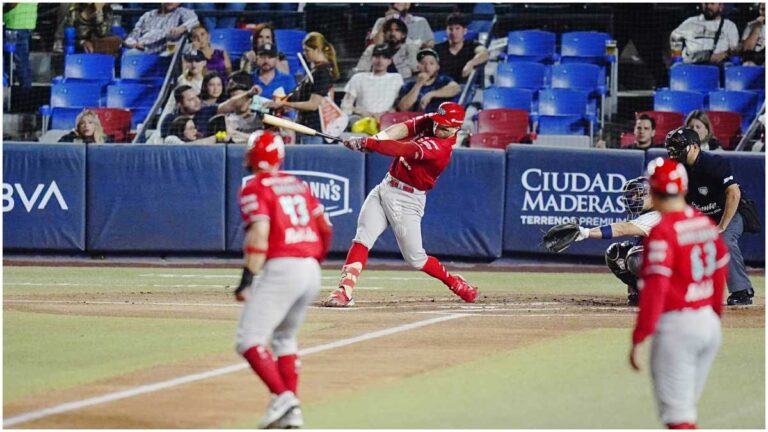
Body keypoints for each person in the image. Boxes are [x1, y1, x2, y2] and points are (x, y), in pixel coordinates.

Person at [323, 102, 479, 307]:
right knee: (362, 238)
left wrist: (368, 144)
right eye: (438, 124)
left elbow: (403, 148)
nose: (437, 128)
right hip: (386, 186)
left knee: (416, 259)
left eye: (444, 128)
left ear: (456, 129)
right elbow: (402, 129)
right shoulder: (434, 121)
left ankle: (454, 282)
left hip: (408, 200)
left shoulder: (441, 149)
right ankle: (344, 290)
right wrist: (374, 139)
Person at [234, 130, 332, 429]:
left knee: (248, 340)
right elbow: (325, 225)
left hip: (283, 267)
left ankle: (284, 396)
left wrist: (247, 280)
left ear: (252, 156)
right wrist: (316, 258)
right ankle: (292, 413)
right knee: (284, 338)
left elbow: (260, 233)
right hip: (310, 268)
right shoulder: (298, 184)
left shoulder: (254, 187)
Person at [629, 157, 728, 430]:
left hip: (678, 328)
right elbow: (719, 275)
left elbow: (656, 288)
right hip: (708, 325)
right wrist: (714, 317)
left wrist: (640, 336)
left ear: (654, 190)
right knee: (686, 412)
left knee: (678, 419)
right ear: (683, 189)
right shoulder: (706, 224)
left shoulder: (661, 232)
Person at [665, 127, 755, 305]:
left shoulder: (713, 163)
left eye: (679, 146)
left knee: (724, 240)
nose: (674, 151)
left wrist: (721, 226)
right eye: (672, 147)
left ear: (695, 147)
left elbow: (734, 194)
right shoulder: (677, 169)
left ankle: (742, 291)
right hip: (704, 215)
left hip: (730, 211)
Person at [544, 177, 660, 306]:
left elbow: (621, 229)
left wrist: (585, 232)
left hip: (675, 270)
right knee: (616, 253)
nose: (633, 199)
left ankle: (663, 296)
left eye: (639, 194)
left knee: (637, 257)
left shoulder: (659, 214)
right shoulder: (645, 215)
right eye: (632, 195)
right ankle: (640, 293)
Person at [264, 32, 339, 144]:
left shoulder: (322, 72)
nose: (305, 54)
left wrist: (284, 104)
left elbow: (313, 105)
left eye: (307, 50)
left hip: (313, 131)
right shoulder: (315, 70)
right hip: (305, 128)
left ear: (317, 50)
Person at [341, 43, 404, 123]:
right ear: (371, 58)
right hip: (361, 121)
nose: (380, 61)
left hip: (388, 122)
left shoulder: (396, 78)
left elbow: (399, 105)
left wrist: (385, 114)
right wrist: (362, 113)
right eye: (377, 56)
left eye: (385, 57)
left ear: (390, 61)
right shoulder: (358, 78)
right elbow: (346, 105)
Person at [670, 3, 739, 65]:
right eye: (705, 3)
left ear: (721, 6)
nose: (708, 6)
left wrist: (724, 55)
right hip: (691, 68)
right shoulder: (690, 22)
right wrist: (677, 59)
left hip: (719, 69)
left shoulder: (729, 26)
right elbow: (675, 37)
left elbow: (734, 50)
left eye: (712, 3)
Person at [397, 48, 460, 113]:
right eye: (423, 63)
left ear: (437, 67)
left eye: (431, 63)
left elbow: (456, 88)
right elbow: (402, 108)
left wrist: (431, 94)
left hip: (442, 117)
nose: (427, 67)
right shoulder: (409, 84)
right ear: (418, 66)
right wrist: (418, 84)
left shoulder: (443, 80)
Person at [433, 13, 489, 84]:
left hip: (466, 89)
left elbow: (484, 53)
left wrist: (471, 63)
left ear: (464, 31)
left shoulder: (472, 45)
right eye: (450, 29)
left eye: (457, 28)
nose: (453, 32)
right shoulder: (438, 49)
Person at [123, 3, 198, 55]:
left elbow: (194, 20)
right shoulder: (148, 15)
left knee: (179, 48)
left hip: (168, 50)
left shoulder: (182, 12)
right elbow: (133, 34)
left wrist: (182, 28)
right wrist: (133, 43)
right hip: (143, 51)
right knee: (129, 52)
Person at [217, 79, 264, 143]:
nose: (241, 103)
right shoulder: (225, 120)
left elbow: (261, 139)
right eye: (237, 100)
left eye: (244, 99)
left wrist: (234, 133)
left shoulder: (261, 118)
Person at [3, 3, 37, 89]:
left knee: (20, 61)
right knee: (19, 59)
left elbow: (12, 3)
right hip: (26, 23)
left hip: (15, 24)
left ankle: (25, 93)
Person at [368, 3, 434, 48]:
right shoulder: (381, 21)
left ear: (408, 4)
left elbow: (431, 44)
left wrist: (420, 44)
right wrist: (386, 22)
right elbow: (375, 45)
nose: (396, 3)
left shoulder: (421, 21)